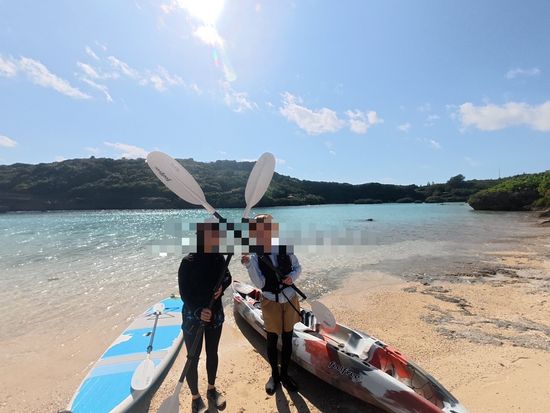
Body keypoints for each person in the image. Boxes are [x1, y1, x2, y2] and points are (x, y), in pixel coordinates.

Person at [241, 214, 302, 395]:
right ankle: (275, 375)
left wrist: (292, 277)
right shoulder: (254, 253)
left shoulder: (284, 246)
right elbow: (260, 283)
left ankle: (284, 374)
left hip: (289, 297)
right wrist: (248, 265)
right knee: (272, 338)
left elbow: (297, 267)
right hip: (270, 300)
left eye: (269, 227)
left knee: (288, 336)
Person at [178, 221, 231, 413]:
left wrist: (221, 288)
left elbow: (228, 277)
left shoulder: (219, 258)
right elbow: (184, 293)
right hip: (193, 317)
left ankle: (211, 389)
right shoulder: (188, 262)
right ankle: (195, 397)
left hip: (215, 314)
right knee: (192, 357)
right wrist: (198, 311)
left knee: (212, 352)